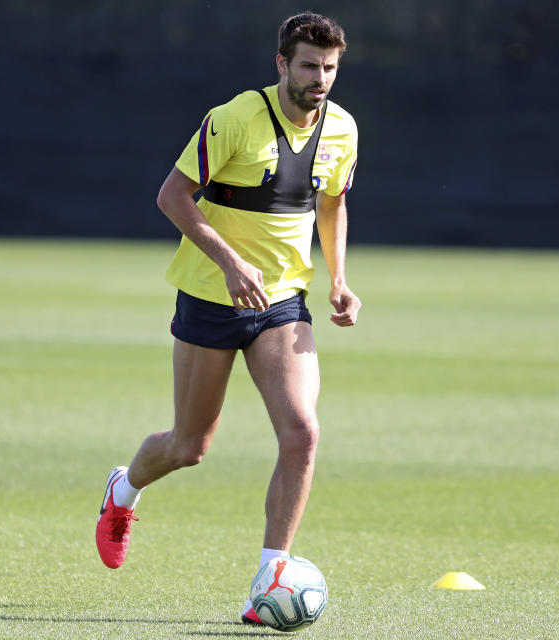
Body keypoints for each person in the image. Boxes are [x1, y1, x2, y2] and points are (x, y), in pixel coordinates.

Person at [94, 12, 361, 625]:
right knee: (189, 447)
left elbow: (332, 203)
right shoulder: (235, 119)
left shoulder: (343, 129)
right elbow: (172, 197)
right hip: (211, 297)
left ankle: (270, 575)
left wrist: (341, 279)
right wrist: (231, 261)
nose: (319, 78)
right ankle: (124, 489)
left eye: (329, 68)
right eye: (308, 66)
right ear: (281, 65)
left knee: (303, 431)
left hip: (282, 303)